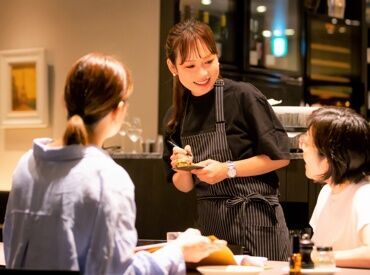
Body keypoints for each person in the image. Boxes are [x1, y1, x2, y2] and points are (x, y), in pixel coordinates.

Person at [3, 53, 226, 274]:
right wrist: (178, 252)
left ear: (65, 103)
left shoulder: (27, 165)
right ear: (119, 110)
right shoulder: (107, 177)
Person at [162, 19, 291, 260]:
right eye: (190, 66)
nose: (202, 73)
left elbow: (280, 158)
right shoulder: (175, 116)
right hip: (212, 228)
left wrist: (227, 169)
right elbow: (185, 186)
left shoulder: (243, 96)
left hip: (257, 222)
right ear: (172, 67)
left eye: (209, 61)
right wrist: (183, 167)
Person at [299, 106, 370, 268]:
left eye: (307, 143)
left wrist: (316, 257)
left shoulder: (364, 195)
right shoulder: (327, 192)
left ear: (329, 158)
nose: (301, 147)